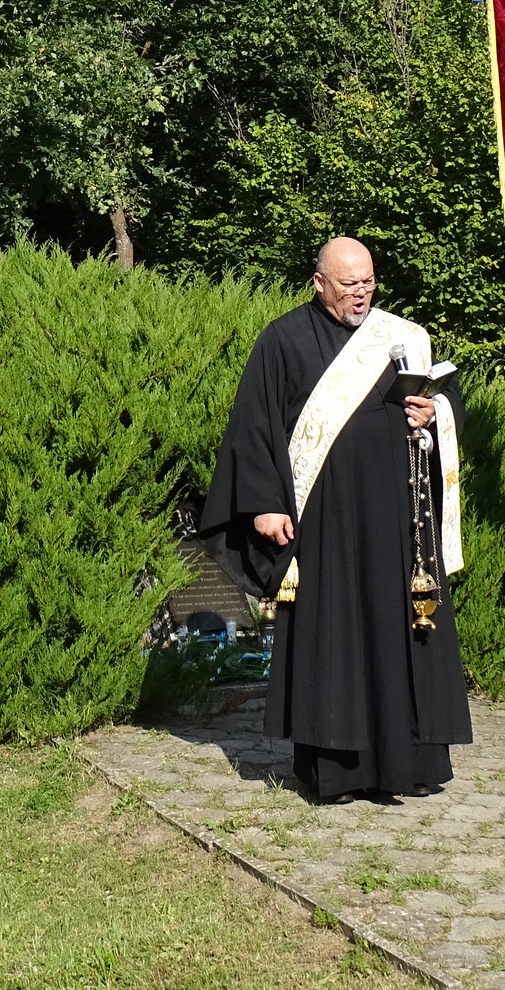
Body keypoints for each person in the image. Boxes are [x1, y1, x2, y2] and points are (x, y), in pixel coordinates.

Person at [199, 237, 473, 800]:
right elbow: (255, 427)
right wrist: (265, 505)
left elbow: (450, 402)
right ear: (319, 282)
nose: (361, 293)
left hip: (401, 520)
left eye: (368, 281)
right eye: (349, 283)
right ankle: (336, 770)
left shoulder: (403, 336)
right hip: (325, 522)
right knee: (337, 637)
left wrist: (435, 410)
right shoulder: (283, 339)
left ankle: (413, 762)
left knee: (403, 632)